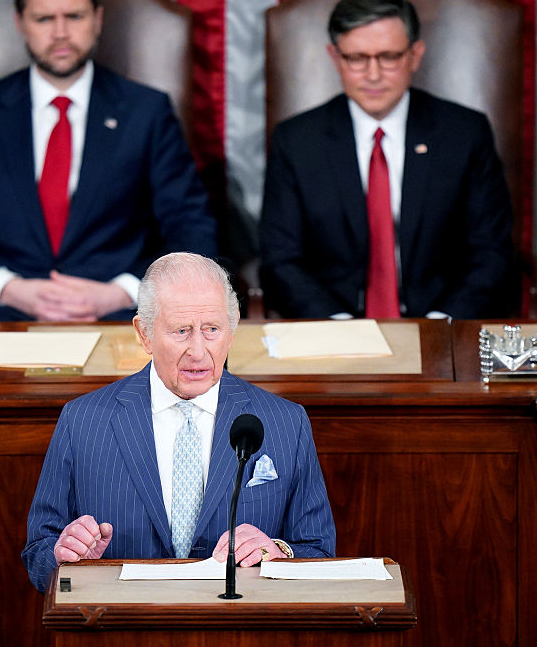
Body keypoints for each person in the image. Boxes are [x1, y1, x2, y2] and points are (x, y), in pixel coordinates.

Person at [0, 0, 217, 323]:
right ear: (20, 23)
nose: (61, 33)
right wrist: (9, 288)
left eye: (74, 16)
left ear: (97, 20)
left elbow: (194, 232)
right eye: (43, 19)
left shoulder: (146, 112)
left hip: (118, 319)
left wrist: (124, 292)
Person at [22, 252, 336, 592]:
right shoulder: (82, 421)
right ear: (144, 333)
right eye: (182, 331)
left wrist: (279, 552)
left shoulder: (286, 422)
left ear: (232, 330)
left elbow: (318, 551)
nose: (199, 351)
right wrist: (61, 555)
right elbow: (39, 553)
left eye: (212, 330)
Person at [259, 0, 514, 320]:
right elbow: (281, 259)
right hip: (333, 328)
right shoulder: (296, 140)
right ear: (335, 58)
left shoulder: (464, 133)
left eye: (389, 57)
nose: (374, 74)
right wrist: (339, 326)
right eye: (357, 58)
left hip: (441, 323)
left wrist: (441, 323)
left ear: (415, 55)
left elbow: (491, 252)